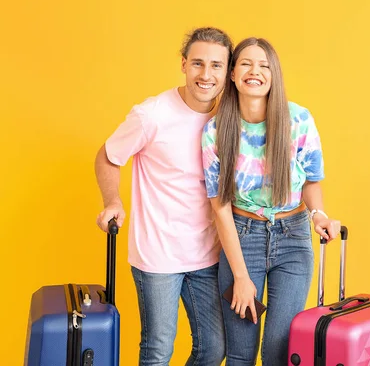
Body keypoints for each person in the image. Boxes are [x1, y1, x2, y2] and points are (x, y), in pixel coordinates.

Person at [94, 27, 232, 366]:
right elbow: (107, 156)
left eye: (216, 65)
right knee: (157, 350)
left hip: (208, 254)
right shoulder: (151, 114)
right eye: (198, 63)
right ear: (184, 64)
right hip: (158, 257)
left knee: (213, 349)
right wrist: (113, 201)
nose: (206, 74)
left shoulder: (227, 117)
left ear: (227, 72)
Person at [202, 37, 341, 365]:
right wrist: (240, 276)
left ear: (274, 74)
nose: (255, 71)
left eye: (264, 65)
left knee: (279, 352)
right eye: (246, 64)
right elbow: (219, 207)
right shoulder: (215, 130)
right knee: (240, 354)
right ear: (233, 74)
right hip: (241, 238)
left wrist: (318, 215)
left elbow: (310, 180)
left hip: (293, 239)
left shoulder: (299, 120)